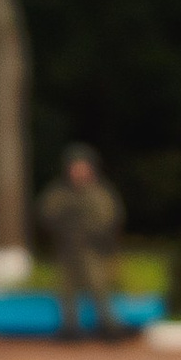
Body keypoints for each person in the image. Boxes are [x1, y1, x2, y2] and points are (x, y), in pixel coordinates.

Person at [37, 143, 123, 337]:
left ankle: (109, 325)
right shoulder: (59, 192)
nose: (78, 171)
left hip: (92, 247)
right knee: (66, 289)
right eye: (75, 167)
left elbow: (109, 217)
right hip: (67, 247)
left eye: (83, 167)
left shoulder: (99, 193)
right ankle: (70, 327)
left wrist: (93, 232)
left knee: (98, 285)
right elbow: (47, 213)